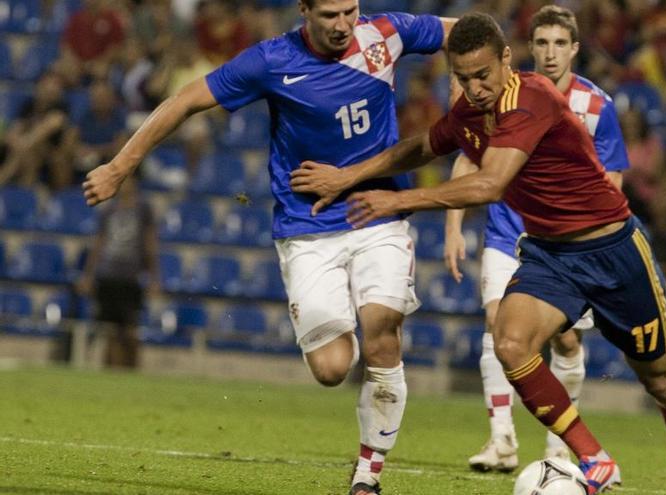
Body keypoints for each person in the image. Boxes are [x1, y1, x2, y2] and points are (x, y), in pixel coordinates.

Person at [291, 13, 666, 495]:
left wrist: (397, 199)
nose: (475, 88)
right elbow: (422, 146)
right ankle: (594, 460)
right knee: (510, 343)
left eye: (483, 75)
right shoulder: (470, 111)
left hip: (612, 249)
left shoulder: (532, 99)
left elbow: (489, 184)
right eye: (463, 78)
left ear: (507, 58)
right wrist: (349, 176)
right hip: (551, 255)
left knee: (660, 381)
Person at [81, 1, 455, 493]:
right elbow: (184, 101)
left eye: (350, 11)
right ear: (304, 11)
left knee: (381, 331)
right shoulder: (270, 61)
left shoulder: (387, 32)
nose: (343, 24)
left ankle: (368, 475)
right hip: (306, 226)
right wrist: (120, 165)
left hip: (377, 212)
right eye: (329, 15)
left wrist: (486, 83)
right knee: (332, 368)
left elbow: (465, 33)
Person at [441, 5, 629, 473]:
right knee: (496, 324)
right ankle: (501, 439)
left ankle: (558, 444)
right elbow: (467, 158)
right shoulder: (506, 94)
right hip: (509, 232)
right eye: (541, 43)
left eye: (559, 43)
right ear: (527, 49)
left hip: (565, 243)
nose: (549, 53)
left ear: (575, 49)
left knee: (565, 343)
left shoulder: (596, 106)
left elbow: (613, 182)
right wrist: (453, 226)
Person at [76, 173, 161, 368]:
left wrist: (154, 278)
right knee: (109, 331)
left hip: (131, 278)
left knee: (131, 331)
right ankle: (110, 373)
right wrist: (88, 275)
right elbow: (98, 244)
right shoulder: (108, 210)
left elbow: (150, 244)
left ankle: (131, 371)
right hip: (108, 276)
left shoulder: (143, 209)